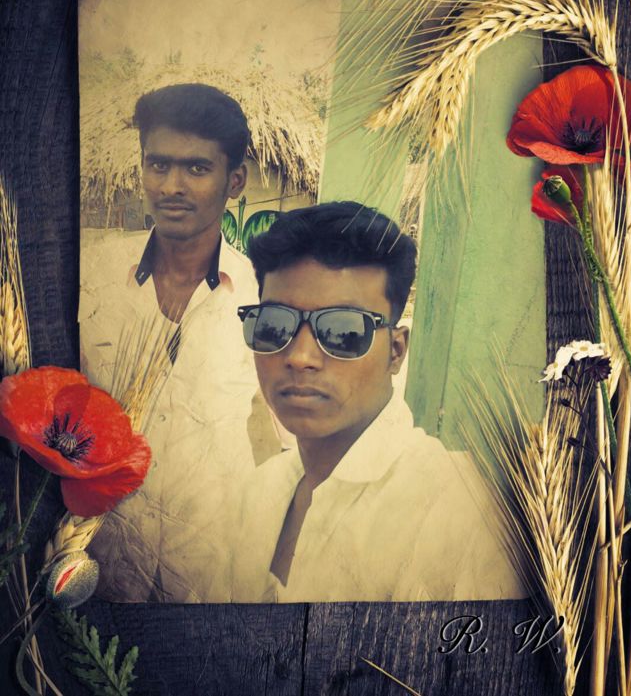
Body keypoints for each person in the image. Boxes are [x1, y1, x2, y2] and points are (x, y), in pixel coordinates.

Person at [230, 201, 524, 602]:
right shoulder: (257, 493)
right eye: (274, 326)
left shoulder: (457, 514)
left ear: (396, 351)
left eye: (343, 332)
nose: (299, 357)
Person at [80, 83, 267, 602]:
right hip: (102, 561)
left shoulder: (262, 294)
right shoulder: (92, 279)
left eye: (197, 169)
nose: (171, 186)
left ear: (234, 181)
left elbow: (294, 435)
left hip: (213, 567)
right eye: (158, 165)